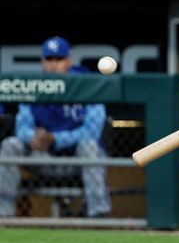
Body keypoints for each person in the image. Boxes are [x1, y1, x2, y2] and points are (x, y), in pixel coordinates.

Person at [0, 37, 111, 218]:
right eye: (49, 59)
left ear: (68, 61)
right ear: (43, 62)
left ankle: (98, 215)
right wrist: (32, 137)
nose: (53, 65)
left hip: (76, 159)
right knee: (10, 144)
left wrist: (56, 139)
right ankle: (3, 215)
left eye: (58, 59)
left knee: (89, 145)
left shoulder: (87, 85)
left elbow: (93, 130)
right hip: (42, 157)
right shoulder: (33, 86)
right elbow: (22, 127)